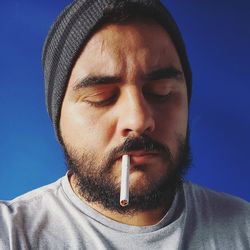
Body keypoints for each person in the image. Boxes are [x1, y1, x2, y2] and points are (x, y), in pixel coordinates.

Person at [0, 0, 249, 249]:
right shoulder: (11, 235)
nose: (138, 120)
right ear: (58, 116)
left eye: (161, 92)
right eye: (101, 98)